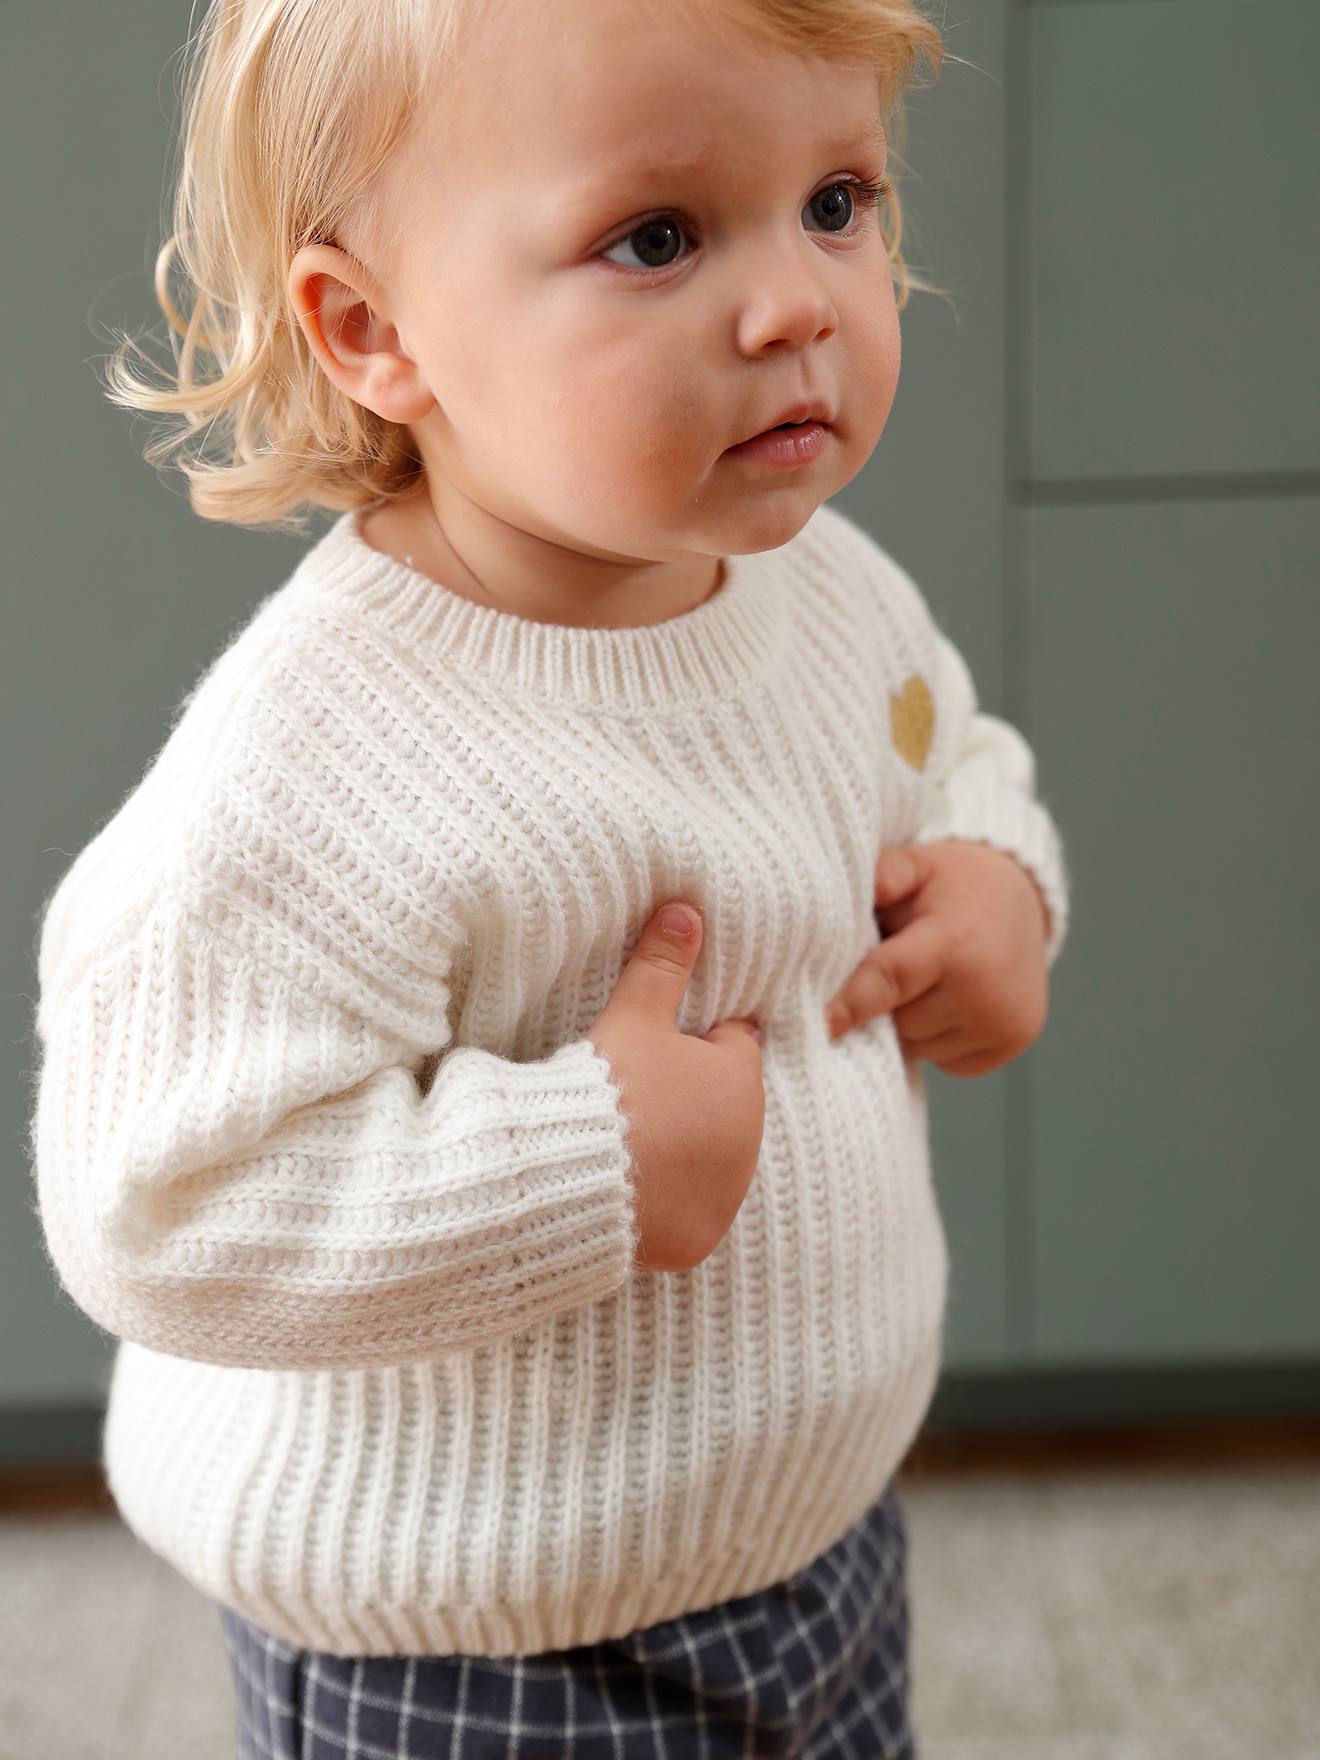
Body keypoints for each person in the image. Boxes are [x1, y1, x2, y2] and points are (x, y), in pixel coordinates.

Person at [28, 0, 1071, 1752]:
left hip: (808, 1534)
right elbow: (159, 1196)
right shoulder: (321, 766)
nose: (800, 301)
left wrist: (994, 877)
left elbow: (943, 747)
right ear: (375, 331)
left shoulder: (822, 593)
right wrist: (581, 1160)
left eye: (838, 199)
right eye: (657, 237)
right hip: (472, 1640)